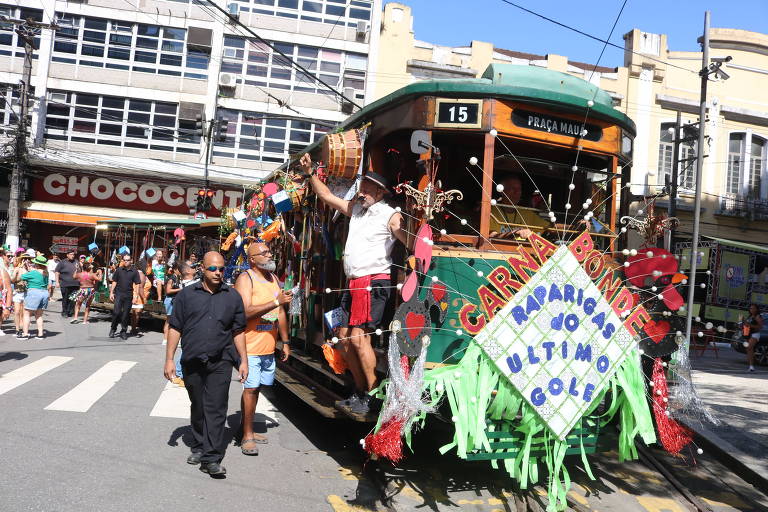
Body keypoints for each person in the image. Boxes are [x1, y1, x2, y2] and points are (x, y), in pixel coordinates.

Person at [300, 153, 407, 414]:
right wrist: (311, 173)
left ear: (381, 192)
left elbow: (410, 241)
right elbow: (326, 197)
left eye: (371, 187)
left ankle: (372, 397)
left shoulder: (390, 214)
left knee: (359, 339)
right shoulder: (357, 210)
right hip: (354, 283)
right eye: (364, 185)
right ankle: (360, 392)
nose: (365, 190)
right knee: (344, 338)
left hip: (373, 282)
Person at [164, 251, 248, 476]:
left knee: (217, 408)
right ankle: (199, 445)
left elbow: (238, 331)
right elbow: (175, 327)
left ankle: (211, 458)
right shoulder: (186, 295)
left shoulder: (232, 296)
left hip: (220, 361)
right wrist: (169, 359)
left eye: (222, 269)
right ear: (202, 268)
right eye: (213, 268)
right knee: (199, 405)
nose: (218, 272)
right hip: (192, 360)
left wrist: (243, 360)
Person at [234, 242, 292, 455]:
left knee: (257, 389)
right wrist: (275, 302)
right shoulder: (245, 278)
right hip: (249, 346)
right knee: (250, 389)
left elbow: (280, 313)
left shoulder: (273, 278)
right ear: (252, 259)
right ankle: (247, 435)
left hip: (268, 346)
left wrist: (285, 341)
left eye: (269, 251)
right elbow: (244, 312)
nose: (270, 254)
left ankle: (245, 427)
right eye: (264, 252)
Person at [164, 263, 200, 385]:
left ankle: (181, 373)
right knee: (188, 347)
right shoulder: (190, 285)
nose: (196, 268)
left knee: (188, 347)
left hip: (189, 320)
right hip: (189, 321)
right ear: (188, 272)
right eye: (193, 267)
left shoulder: (187, 283)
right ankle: (179, 373)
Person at [488, 174, 550, 239]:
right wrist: (515, 233)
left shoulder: (526, 213)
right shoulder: (491, 211)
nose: (517, 192)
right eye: (513, 188)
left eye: (519, 189)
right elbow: (492, 235)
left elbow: (550, 228)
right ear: (502, 191)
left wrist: (561, 227)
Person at [16, 254, 49, 339]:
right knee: (39, 315)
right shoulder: (46, 272)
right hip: (44, 293)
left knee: (26, 313)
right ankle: (40, 334)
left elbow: (21, 277)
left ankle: (25, 334)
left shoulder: (33, 272)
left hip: (34, 292)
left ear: (37, 264)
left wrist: (25, 268)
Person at [109, 254, 141, 341]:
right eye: (124, 260)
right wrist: (111, 292)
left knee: (125, 315)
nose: (126, 261)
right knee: (116, 312)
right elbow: (114, 281)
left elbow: (137, 283)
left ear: (131, 261)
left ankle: (123, 331)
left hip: (128, 295)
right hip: (119, 294)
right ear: (122, 261)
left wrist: (136, 295)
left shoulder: (134, 271)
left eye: (128, 260)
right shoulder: (119, 270)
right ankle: (113, 328)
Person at [56, 250, 80, 318]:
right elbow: (57, 272)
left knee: (73, 299)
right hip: (65, 284)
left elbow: (80, 271)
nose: (72, 255)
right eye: (71, 254)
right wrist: (57, 282)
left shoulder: (76, 261)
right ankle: (64, 312)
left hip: (75, 284)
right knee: (65, 298)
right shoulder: (62, 262)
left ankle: (70, 311)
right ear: (67, 255)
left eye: (73, 254)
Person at [742, 303, 764, 373]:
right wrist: (743, 322)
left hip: (755, 334)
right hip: (748, 334)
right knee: (748, 349)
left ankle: (752, 366)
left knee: (749, 348)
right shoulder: (750, 316)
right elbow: (747, 325)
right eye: (751, 308)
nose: (751, 310)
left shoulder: (758, 317)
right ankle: (751, 366)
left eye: (753, 308)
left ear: (757, 309)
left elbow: (760, 327)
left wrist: (749, 325)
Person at [130, 267, 151, 337]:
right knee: (136, 314)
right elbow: (140, 288)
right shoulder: (142, 275)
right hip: (139, 297)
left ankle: (133, 329)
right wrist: (144, 298)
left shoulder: (137, 274)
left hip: (135, 296)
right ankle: (133, 329)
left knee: (134, 314)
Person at [0, 249, 13, 333]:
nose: (10, 258)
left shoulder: (2, 272)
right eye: (8, 256)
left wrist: (7, 308)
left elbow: (9, 290)